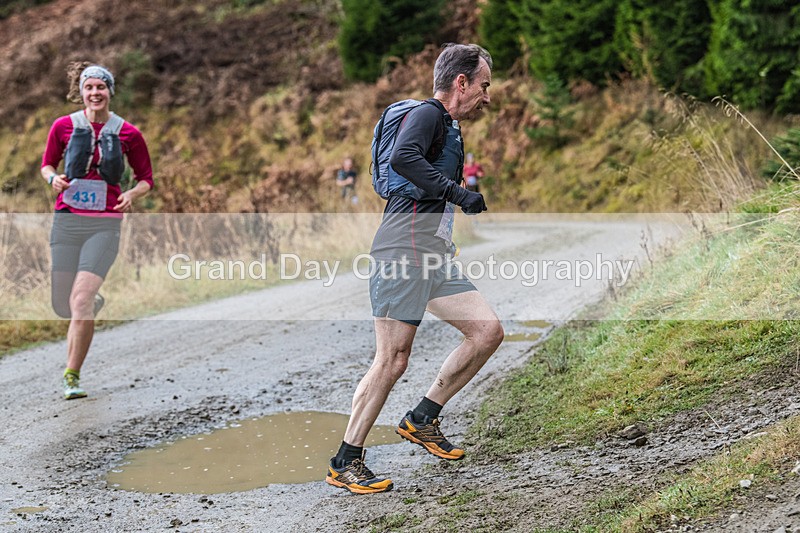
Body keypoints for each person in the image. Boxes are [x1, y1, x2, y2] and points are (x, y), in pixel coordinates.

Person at [325, 44, 504, 494]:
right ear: (461, 82)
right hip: (401, 251)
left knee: (486, 332)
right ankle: (345, 461)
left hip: (432, 253)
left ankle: (422, 418)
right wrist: (460, 195)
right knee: (392, 360)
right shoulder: (428, 114)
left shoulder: (449, 126)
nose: (487, 96)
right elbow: (403, 158)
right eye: (483, 86)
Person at [41, 63, 153, 400]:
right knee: (63, 304)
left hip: (105, 223)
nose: (95, 93)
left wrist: (131, 194)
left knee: (80, 299)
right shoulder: (63, 126)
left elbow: (146, 179)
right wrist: (53, 178)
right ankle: (90, 303)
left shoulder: (128, 133)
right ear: (82, 92)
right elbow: (47, 165)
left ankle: (71, 376)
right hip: (67, 220)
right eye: (89, 87)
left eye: (101, 87)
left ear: (110, 91)